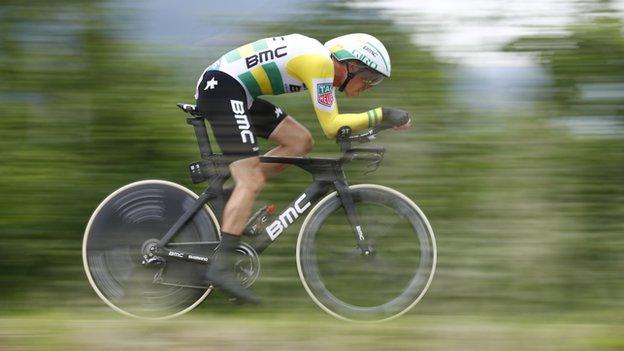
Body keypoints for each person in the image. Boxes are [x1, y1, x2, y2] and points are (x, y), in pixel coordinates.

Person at [194, 33, 411, 304]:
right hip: (223, 88)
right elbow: (333, 127)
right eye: (370, 77)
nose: (370, 85)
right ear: (351, 65)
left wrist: (375, 125)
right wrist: (383, 114)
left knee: (300, 141)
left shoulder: (322, 66)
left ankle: (233, 195)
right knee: (251, 181)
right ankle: (221, 267)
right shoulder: (320, 63)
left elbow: (335, 125)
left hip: (237, 92)